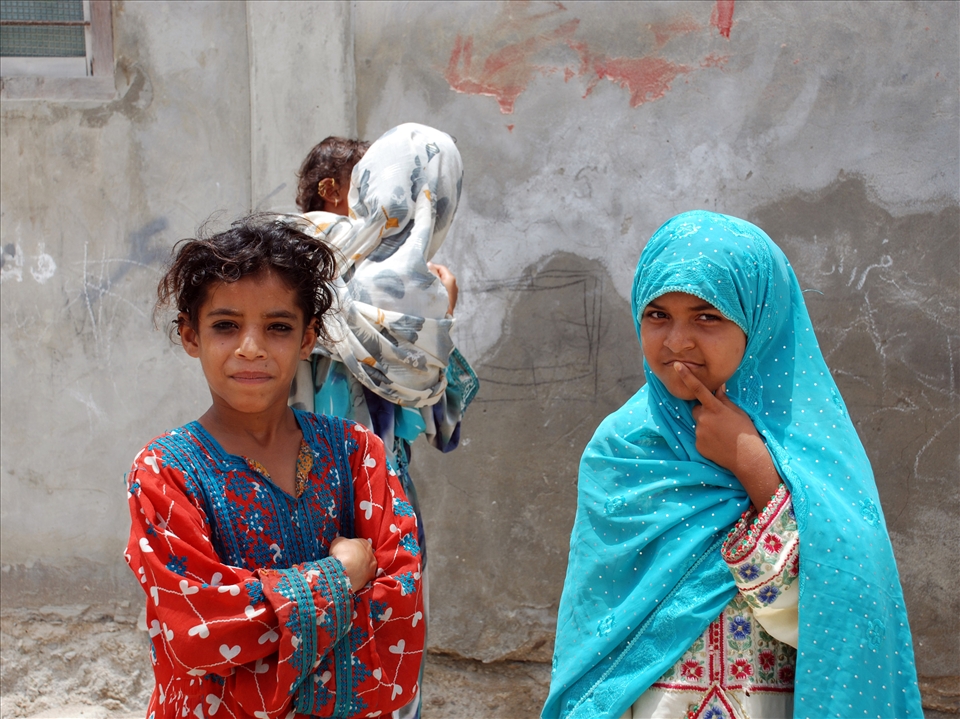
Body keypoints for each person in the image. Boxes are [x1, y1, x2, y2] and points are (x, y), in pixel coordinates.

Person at [542, 211, 923, 719]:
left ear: (759, 321)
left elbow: (844, 614)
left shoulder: (808, 449)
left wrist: (755, 465)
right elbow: (594, 636)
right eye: (658, 315)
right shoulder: (624, 449)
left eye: (707, 316)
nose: (677, 341)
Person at [124, 216, 425, 719]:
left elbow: (399, 620)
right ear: (190, 335)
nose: (251, 347)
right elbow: (200, 632)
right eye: (225, 325)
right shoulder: (164, 473)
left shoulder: (356, 454)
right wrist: (340, 576)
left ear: (308, 338)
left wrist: (260, 638)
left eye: (278, 327)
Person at [288, 123, 478, 719]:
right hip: (309, 482)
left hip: (368, 485)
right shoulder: (295, 259)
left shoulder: (404, 281)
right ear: (332, 190)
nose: (396, 201)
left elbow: (426, 392)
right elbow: (439, 404)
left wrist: (425, 311)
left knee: (376, 641)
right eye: (374, 183)